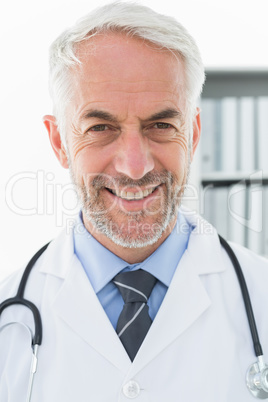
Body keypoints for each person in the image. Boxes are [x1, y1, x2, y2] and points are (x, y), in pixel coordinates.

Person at [1, 2, 268, 401]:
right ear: (59, 142)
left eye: (161, 125)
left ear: (193, 133)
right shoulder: (9, 322)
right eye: (101, 127)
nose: (135, 166)